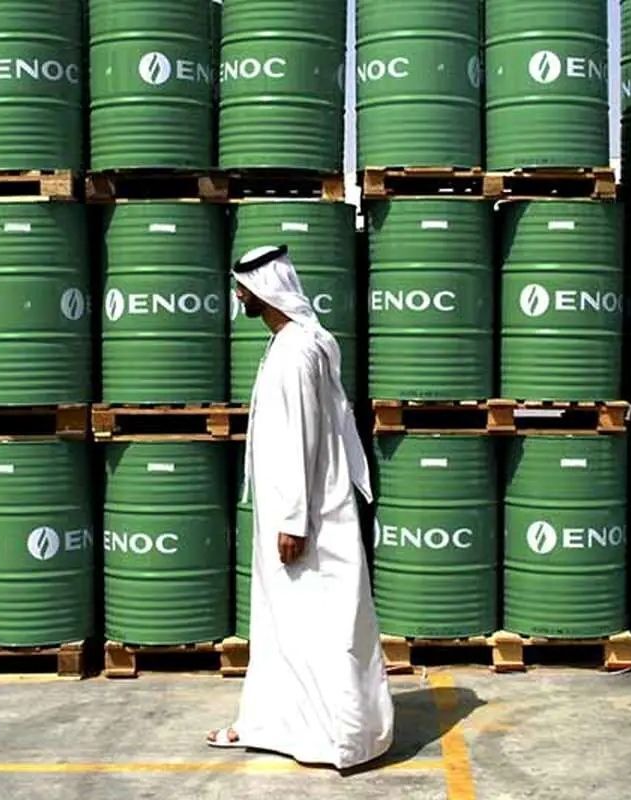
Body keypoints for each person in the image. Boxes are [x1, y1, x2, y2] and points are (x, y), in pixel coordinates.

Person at [206, 244, 394, 769]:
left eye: (242, 287)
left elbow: (297, 439)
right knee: (286, 625)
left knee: (317, 626)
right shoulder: (295, 342)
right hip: (303, 510)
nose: (238, 295)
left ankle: (340, 738)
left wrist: (293, 522)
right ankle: (274, 724)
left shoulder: (294, 353)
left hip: (306, 517)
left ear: (263, 288)